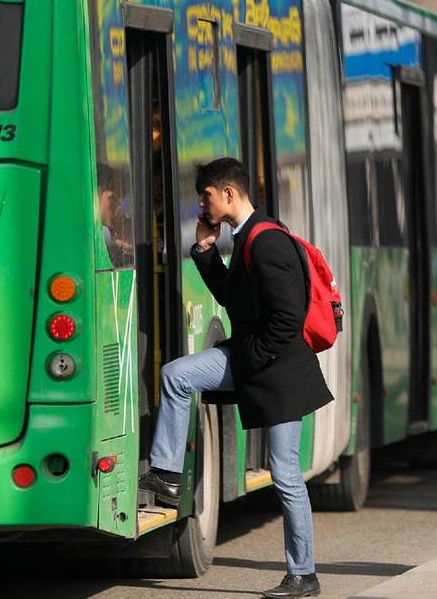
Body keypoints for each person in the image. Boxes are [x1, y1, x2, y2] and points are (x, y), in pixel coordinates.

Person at [138, 157, 333, 598]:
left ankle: (303, 575)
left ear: (228, 194)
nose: (201, 205)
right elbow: (233, 299)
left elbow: (287, 318)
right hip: (267, 365)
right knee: (179, 377)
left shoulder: (267, 243)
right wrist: (206, 253)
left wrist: (248, 361)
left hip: (278, 372)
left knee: (285, 475)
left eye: (205, 196)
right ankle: (168, 474)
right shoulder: (248, 238)